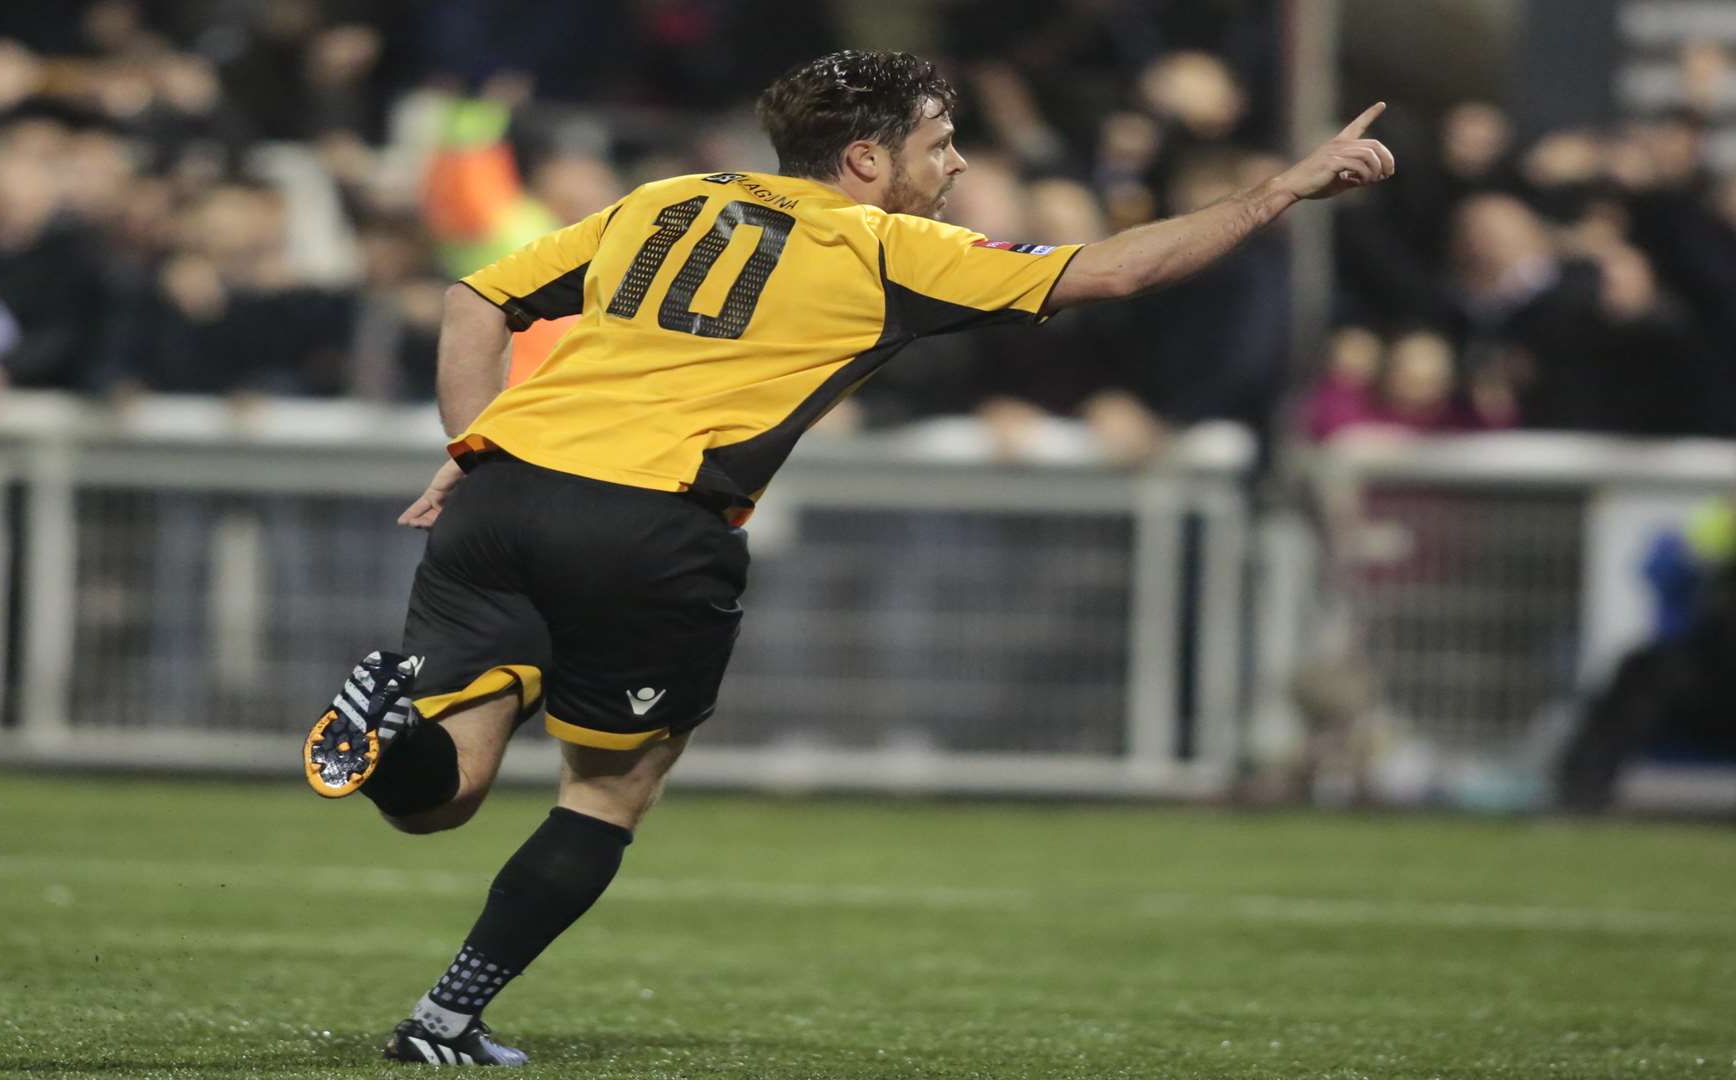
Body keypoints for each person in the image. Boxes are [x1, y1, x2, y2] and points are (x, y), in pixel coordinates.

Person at [301, 49, 1395, 1067]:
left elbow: (473, 298)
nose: (959, 161)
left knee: (438, 793)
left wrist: (468, 447)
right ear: (867, 160)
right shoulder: (884, 247)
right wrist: (1277, 193)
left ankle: (385, 738)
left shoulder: (665, 200)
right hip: (649, 525)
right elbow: (1113, 271)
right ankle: (446, 1016)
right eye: (940, 142)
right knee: (608, 791)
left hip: (502, 495)